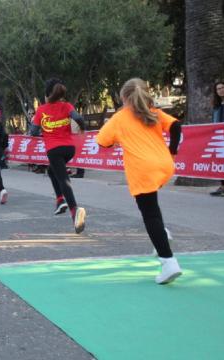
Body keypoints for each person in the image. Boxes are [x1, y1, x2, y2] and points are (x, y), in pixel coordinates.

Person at [97, 78, 182, 284]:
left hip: (142, 169)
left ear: (124, 97)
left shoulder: (119, 118)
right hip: (164, 165)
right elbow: (176, 126)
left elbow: (102, 141)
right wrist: (172, 151)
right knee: (153, 205)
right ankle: (162, 233)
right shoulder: (154, 112)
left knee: (149, 214)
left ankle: (168, 262)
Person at [30, 78, 87, 233]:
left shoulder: (41, 110)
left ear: (47, 94)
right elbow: (79, 118)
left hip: (54, 150)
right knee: (51, 171)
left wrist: (43, 131)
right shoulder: (67, 105)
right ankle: (60, 200)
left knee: (63, 179)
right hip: (69, 148)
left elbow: (33, 132)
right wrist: (82, 128)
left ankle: (74, 211)